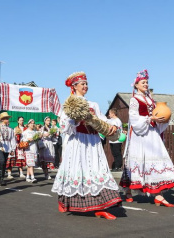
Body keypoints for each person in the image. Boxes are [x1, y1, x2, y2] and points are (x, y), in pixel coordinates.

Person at [51, 72, 121, 220]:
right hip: (78, 142)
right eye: (82, 84)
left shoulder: (93, 104)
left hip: (93, 141)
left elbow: (101, 119)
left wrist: (111, 126)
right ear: (74, 86)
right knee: (76, 170)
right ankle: (65, 201)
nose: (85, 86)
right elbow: (64, 126)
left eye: (86, 84)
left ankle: (100, 206)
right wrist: (76, 120)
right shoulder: (70, 103)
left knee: (97, 169)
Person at [119, 69, 174, 207]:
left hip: (152, 133)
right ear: (136, 85)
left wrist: (162, 119)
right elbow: (133, 117)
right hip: (141, 134)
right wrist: (149, 118)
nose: (145, 84)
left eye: (147, 82)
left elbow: (157, 113)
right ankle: (128, 190)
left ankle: (158, 195)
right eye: (143, 82)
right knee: (138, 164)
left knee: (155, 162)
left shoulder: (150, 99)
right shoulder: (135, 100)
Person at [0, 112, 17, 186]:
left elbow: (13, 139)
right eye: (6, 118)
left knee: (4, 162)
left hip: (7, 146)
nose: (7, 120)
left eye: (8, 118)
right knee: (2, 160)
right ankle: (0, 178)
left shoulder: (10, 129)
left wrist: (13, 149)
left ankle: (2, 178)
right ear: (2, 120)